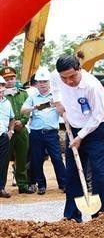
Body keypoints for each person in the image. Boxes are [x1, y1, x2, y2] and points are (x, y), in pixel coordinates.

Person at [51, 55, 104, 222]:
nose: (69, 81)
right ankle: (72, 215)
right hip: (74, 127)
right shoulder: (57, 77)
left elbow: (97, 116)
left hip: (97, 130)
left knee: (98, 171)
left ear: (79, 69)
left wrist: (81, 136)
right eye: (65, 78)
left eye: (73, 76)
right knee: (73, 172)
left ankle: (101, 216)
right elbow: (54, 84)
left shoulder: (92, 86)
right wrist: (57, 102)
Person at [20, 67, 66, 195]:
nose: (42, 84)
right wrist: (35, 107)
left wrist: (56, 105)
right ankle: (41, 185)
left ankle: (64, 184)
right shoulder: (33, 97)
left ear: (49, 82)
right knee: (37, 159)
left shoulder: (56, 96)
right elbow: (23, 110)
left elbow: (64, 112)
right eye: (40, 82)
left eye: (45, 81)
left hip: (51, 133)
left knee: (57, 158)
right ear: (36, 84)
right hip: (36, 134)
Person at [0, 66, 33, 194]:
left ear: (16, 78)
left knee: (22, 158)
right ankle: (1, 186)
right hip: (7, 130)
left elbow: (28, 109)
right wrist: (11, 128)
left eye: (12, 78)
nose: (10, 81)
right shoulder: (2, 95)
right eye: (6, 79)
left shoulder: (23, 93)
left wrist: (23, 121)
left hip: (22, 129)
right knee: (3, 160)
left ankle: (23, 185)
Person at [0, 75, 15, 198]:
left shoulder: (7, 102)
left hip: (3, 137)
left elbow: (12, 117)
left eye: (2, 85)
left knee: (3, 163)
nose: (1, 88)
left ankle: (1, 188)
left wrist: (11, 131)